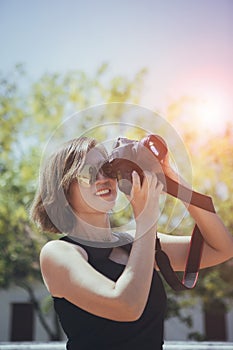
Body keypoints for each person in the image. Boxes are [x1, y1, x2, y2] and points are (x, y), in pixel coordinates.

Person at [31, 136, 233, 350]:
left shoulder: (136, 242)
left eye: (107, 168)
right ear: (63, 189)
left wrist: (170, 177)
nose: (102, 178)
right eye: (87, 172)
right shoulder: (58, 253)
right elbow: (126, 306)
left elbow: (222, 248)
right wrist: (146, 218)